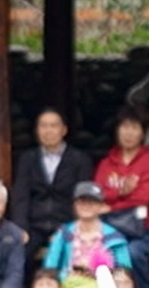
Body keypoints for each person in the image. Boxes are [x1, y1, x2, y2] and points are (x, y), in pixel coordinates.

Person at [12, 108, 93, 257]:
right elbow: (20, 195)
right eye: (43, 126)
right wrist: (20, 227)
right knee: (18, 252)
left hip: (67, 222)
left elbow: (83, 197)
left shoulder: (79, 160)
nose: (48, 131)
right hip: (34, 225)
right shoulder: (28, 158)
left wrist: (77, 227)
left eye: (53, 126)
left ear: (64, 130)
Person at [42, 182, 132, 288]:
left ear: (101, 207)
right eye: (82, 202)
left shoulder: (114, 237)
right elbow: (50, 266)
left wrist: (115, 282)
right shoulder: (64, 233)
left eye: (92, 202)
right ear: (75, 205)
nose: (86, 206)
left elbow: (123, 270)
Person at [93, 107, 149, 236]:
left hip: (143, 229)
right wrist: (120, 192)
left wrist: (111, 207)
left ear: (143, 133)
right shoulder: (106, 163)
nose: (129, 133)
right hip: (108, 226)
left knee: (131, 253)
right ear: (117, 130)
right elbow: (98, 194)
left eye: (134, 128)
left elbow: (144, 197)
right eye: (125, 127)